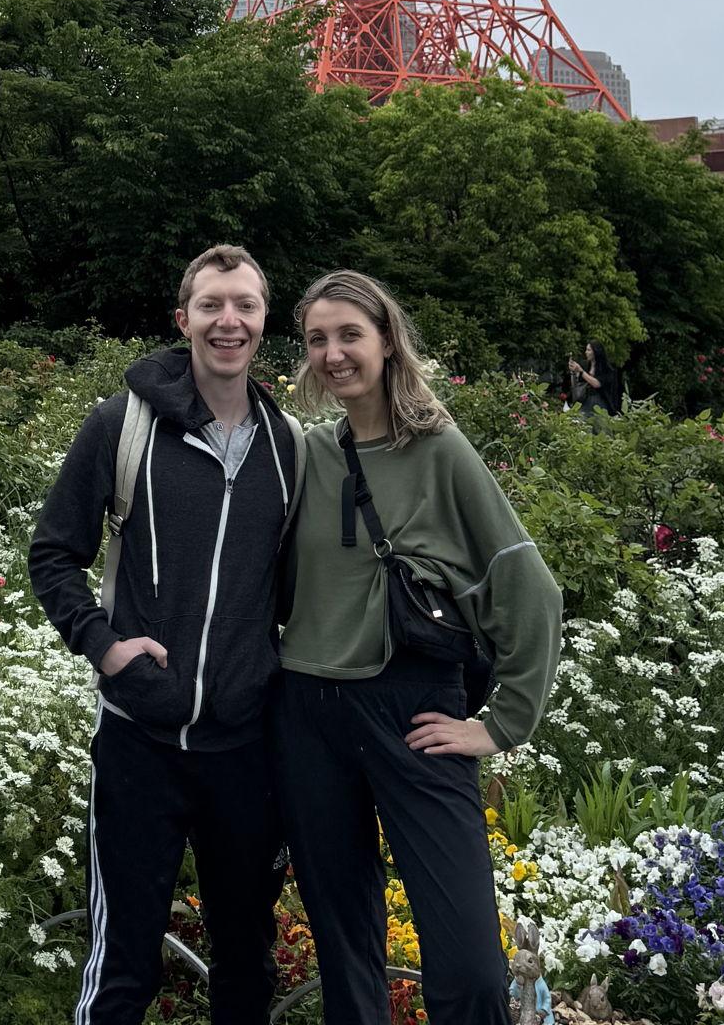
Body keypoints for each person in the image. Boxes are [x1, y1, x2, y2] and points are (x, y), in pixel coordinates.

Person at [275, 270, 563, 1025]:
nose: (334, 354)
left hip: (416, 715)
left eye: (349, 335)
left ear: (387, 343)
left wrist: (499, 725)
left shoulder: (439, 449)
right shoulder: (307, 453)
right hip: (308, 714)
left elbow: (528, 584)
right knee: (344, 946)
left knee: (467, 957)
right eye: (317, 340)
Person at [30, 243, 304, 1025]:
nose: (229, 321)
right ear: (183, 319)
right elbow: (53, 554)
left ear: (263, 322)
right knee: (123, 967)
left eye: (245, 305)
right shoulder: (124, 428)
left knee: (246, 968)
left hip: (245, 753)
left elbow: (288, 592)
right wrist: (102, 644)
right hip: (139, 740)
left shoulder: (287, 448)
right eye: (213, 305)